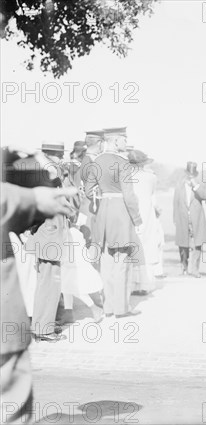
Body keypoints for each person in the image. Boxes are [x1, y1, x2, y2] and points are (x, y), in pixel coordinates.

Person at [1, 179, 77, 424]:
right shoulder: (46, 194)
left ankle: (42, 325)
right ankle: (43, 327)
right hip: (49, 246)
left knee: (46, 287)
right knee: (48, 288)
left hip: (46, 244)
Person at [84, 127, 143, 319]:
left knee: (107, 261)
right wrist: (137, 219)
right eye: (124, 139)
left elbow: (88, 190)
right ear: (116, 141)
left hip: (104, 212)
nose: (125, 143)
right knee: (122, 262)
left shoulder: (97, 161)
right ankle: (121, 308)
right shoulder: (122, 163)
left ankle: (108, 306)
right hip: (121, 213)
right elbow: (129, 195)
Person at [26, 142, 73, 341]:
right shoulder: (48, 173)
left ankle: (42, 325)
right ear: (52, 155)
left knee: (47, 281)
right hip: (49, 235)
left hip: (46, 234)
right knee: (49, 282)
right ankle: (43, 329)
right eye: (59, 155)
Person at [128, 149, 160, 296]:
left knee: (134, 245)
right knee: (148, 245)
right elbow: (153, 194)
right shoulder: (150, 177)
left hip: (133, 211)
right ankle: (146, 283)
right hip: (147, 211)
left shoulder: (127, 176)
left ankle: (133, 283)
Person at [172, 161, 206, 277]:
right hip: (183, 217)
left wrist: (196, 185)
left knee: (198, 244)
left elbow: (205, 196)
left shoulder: (200, 184)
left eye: (192, 175)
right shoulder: (180, 184)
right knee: (183, 244)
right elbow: (175, 202)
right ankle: (183, 267)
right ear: (186, 173)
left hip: (197, 218)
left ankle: (195, 269)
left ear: (195, 175)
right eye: (189, 174)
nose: (190, 176)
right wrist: (175, 218)